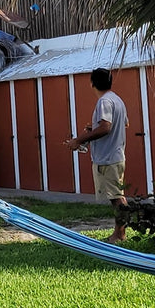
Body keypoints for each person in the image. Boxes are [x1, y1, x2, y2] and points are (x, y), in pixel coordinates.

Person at [65, 67, 129, 243]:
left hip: (108, 158)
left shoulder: (104, 101)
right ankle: (120, 232)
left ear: (92, 83)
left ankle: (120, 235)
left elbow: (106, 128)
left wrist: (79, 140)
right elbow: (124, 124)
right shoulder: (117, 100)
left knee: (116, 198)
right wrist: (94, 129)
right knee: (117, 195)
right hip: (116, 155)